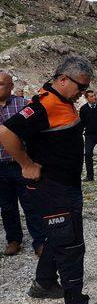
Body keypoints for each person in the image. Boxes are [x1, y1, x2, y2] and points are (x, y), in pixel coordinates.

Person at [0, 57, 97, 304]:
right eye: (80, 87)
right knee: (71, 245)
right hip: (54, 187)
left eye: (86, 89)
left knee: (58, 236)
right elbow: (6, 133)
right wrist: (26, 164)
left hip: (66, 185)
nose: (82, 93)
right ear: (62, 79)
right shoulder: (44, 105)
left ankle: (44, 282)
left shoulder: (64, 103)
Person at [0, 71, 46, 256]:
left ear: (11, 86)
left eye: (2, 83)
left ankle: (40, 241)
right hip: (1, 166)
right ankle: (13, 240)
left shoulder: (23, 105)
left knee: (31, 204)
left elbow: (35, 133)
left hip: (22, 165)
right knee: (7, 206)